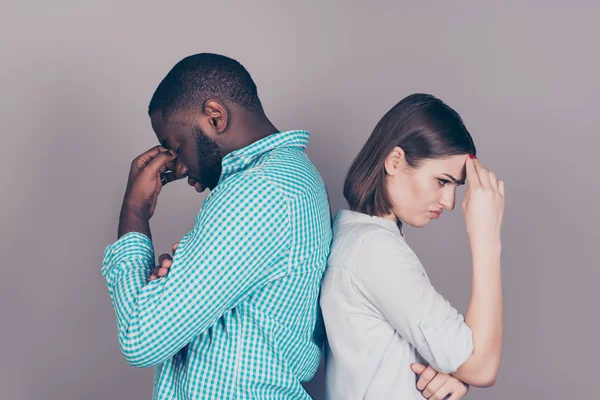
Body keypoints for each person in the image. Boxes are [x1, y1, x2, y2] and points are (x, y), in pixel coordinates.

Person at [101, 53, 332, 399]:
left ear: (214, 116)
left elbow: (141, 337)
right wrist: (172, 287)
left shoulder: (260, 192)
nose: (176, 168)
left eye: (176, 147)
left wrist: (134, 212)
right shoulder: (289, 177)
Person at [320, 93, 505, 399]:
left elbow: (462, 362)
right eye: (442, 181)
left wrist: (453, 372)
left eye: (455, 187)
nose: (449, 202)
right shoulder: (374, 249)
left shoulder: (357, 236)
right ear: (394, 161)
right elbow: (482, 366)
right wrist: (486, 238)